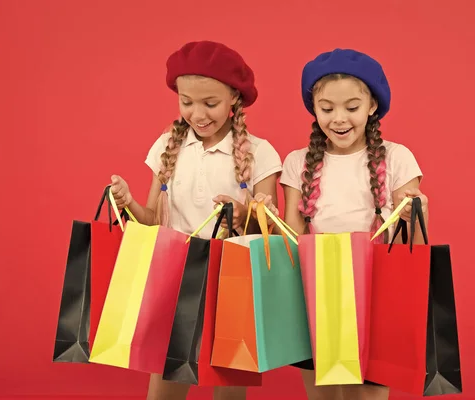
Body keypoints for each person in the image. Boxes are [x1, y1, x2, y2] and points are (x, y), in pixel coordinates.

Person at [109, 40, 282, 400]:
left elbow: (268, 231)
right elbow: (153, 220)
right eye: (187, 102)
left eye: (210, 103)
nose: (198, 114)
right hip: (177, 270)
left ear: (235, 97)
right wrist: (126, 204)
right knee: (170, 368)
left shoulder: (260, 153)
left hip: (235, 274)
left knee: (230, 371)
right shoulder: (167, 147)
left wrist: (242, 216)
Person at [261, 48, 430, 400]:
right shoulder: (298, 162)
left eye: (352, 107)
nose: (339, 119)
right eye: (327, 108)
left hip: (374, 288)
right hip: (316, 286)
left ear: (372, 107)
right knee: (322, 390)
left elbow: (410, 243)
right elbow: (291, 236)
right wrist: (266, 213)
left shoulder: (397, 157)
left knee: (364, 392)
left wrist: (416, 211)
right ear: (314, 108)